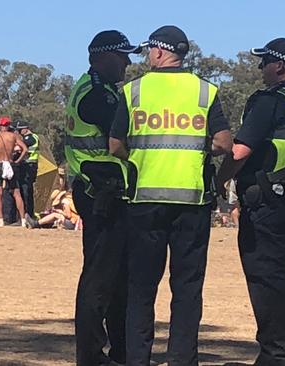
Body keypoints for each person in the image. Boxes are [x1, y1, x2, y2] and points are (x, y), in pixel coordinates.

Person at [109, 25, 232, 365]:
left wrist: (141, 156)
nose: (148, 56)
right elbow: (223, 143)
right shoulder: (205, 91)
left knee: (141, 287)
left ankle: (137, 357)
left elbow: (115, 144)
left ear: (160, 52)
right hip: (191, 202)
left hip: (145, 201)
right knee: (188, 287)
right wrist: (195, 150)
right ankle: (182, 358)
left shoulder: (134, 91)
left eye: (149, 50)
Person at [216, 38, 285, 365]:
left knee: (265, 278)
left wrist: (218, 179)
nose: (260, 69)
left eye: (264, 63)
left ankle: (275, 355)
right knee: (284, 276)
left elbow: (241, 150)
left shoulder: (268, 101)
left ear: (279, 66)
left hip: (265, 204)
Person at [66, 30, 141, 366]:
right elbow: (123, 136)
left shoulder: (101, 88)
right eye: (121, 56)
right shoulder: (98, 93)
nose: (127, 62)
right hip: (101, 192)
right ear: (101, 56)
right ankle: (93, 355)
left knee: (116, 277)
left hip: (106, 190)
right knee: (100, 278)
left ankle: (118, 351)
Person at [0, 116, 28, 227]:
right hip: (11, 163)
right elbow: (25, 149)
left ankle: (1, 220)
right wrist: (18, 160)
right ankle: (23, 220)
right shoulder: (13, 136)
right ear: (8, 125)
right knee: (16, 193)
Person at [15, 121, 39, 217]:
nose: (19, 132)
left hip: (29, 165)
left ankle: (27, 213)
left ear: (26, 128)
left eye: (20, 130)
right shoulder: (31, 137)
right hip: (29, 165)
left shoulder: (30, 138)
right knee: (27, 189)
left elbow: (18, 148)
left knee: (26, 190)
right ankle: (28, 213)